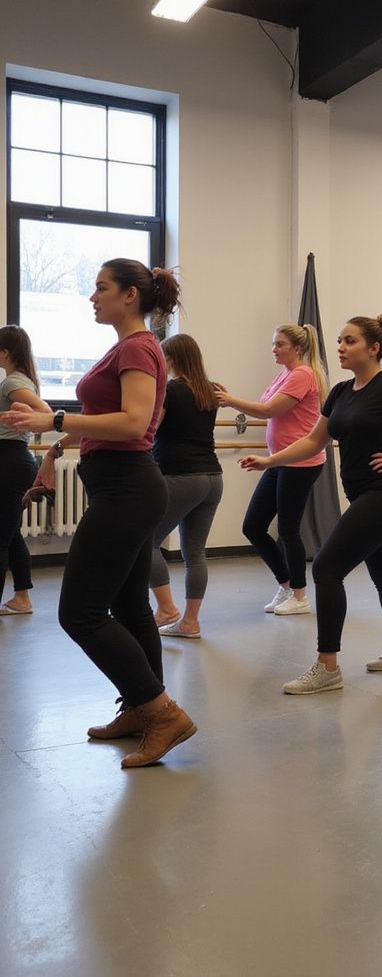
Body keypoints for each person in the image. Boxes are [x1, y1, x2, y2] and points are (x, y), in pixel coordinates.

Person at [2, 259, 197, 768]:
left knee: (80, 612)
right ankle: (140, 709)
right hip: (122, 486)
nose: (92, 296)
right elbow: (106, 418)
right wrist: (54, 448)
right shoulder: (128, 346)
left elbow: (133, 423)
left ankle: (163, 713)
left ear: (129, 295)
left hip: (127, 491)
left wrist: (54, 420)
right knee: (131, 606)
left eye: (101, 287)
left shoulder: (136, 347)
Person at [240, 316, 382, 693]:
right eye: (339, 340)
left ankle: (328, 667)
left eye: (350, 341)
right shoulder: (340, 391)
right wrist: (270, 461)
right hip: (365, 494)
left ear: (374, 348)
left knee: (326, 567)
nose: (340, 347)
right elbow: (313, 441)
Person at [215, 324, 327, 616]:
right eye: (273, 344)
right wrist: (232, 398)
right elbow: (265, 406)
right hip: (281, 460)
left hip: (300, 463)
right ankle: (287, 585)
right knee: (253, 526)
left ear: (297, 349)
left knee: (288, 529)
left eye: (280, 344)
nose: (274, 349)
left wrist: (229, 400)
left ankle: (300, 596)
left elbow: (268, 411)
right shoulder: (285, 374)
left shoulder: (303, 375)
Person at [149, 334, 223, 638]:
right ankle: (190, 622)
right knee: (195, 552)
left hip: (181, 476)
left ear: (172, 359)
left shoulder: (170, 390)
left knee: (144, 541)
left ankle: (166, 609)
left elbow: (150, 428)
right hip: (213, 477)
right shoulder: (210, 391)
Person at [0, 325, 50, 616]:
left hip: (10, 460)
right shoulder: (20, 379)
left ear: (5, 353)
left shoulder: (12, 382)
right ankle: (22, 598)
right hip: (14, 459)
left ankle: (21, 599)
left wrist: (29, 418)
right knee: (10, 532)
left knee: (1, 537)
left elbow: (45, 412)